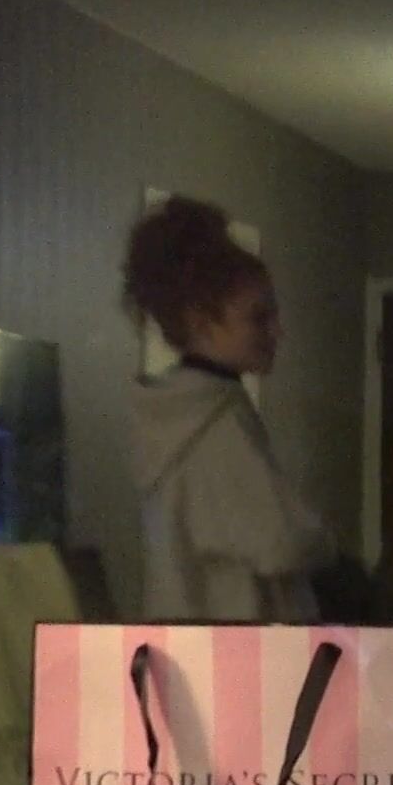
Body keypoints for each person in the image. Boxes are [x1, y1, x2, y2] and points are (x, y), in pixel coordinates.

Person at [120, 195, 334, 623]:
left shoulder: (168, 415)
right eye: (258, 317)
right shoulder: (215, 420)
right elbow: (279, 541)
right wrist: (324, 543)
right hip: (240, 645)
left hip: (188, 640)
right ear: (200, 320)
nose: (277, 331)